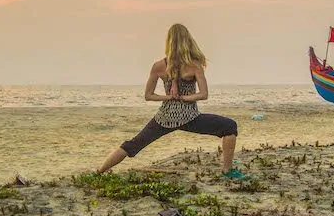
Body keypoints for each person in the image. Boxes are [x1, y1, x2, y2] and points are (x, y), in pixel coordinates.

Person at [96, 23, 248, 180]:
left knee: (132, 145)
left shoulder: (159, 66)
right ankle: (227, 170)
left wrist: (168, 97)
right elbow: (203, 94)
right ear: (188, 40)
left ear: (168, 42)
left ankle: (99, 172)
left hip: (164, 118)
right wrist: (184, 98)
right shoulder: (194, 65)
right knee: (230, 127)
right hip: (189, 117)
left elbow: (149, 95)